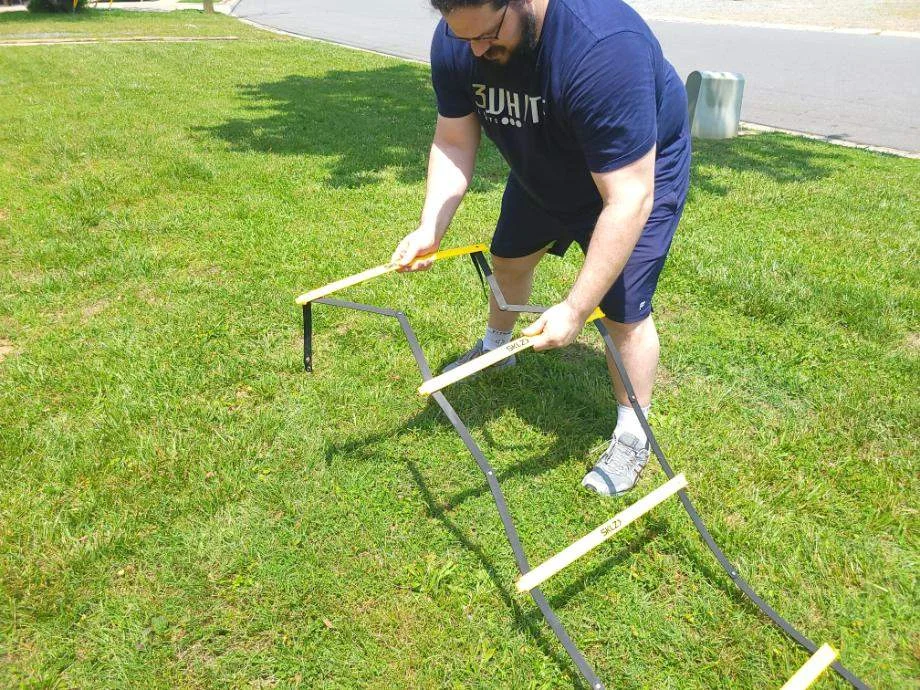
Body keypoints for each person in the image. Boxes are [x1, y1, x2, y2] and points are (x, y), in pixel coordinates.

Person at [391, 0, 691, 497]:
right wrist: (431, 227)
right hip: (544, 163)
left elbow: (628, 199)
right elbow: (454, 140)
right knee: (508, 257)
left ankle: (633, 433)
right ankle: (496, 348)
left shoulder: (604, 48)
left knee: (621, 310)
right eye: (465, 39)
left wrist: (575, 309)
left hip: (632, 175)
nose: (478, 51)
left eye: (488, 35)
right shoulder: (461, 37)